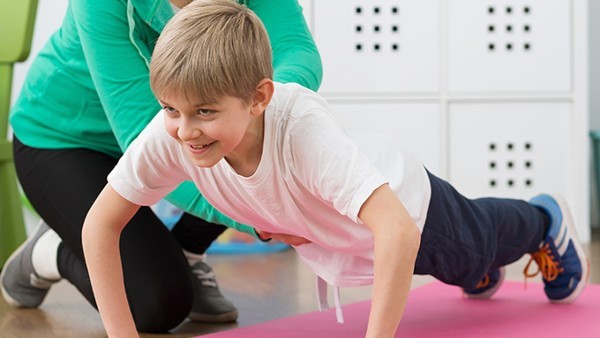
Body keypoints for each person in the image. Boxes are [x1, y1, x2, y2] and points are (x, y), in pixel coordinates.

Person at [82, 0, 590, 337]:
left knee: (472, 244)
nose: (185, 130)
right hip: (339, 230)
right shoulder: (172, 127)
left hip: (406, 206)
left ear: (259, 98)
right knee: (466, 262)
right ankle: (478, 268)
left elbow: (395, 229)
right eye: (171, 109)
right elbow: (100, 225)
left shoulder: (299, 126)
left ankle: (544, 219)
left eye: (205, 113)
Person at [0, 0, 321, 333]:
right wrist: (257, 215)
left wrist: (261, 113)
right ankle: (50, 250)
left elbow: (296, 52)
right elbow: (147, 141)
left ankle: (185, 253)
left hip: (177, 131)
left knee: (238, 133)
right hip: (66, 141)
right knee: (156, 304)